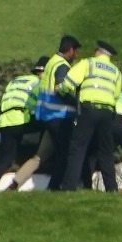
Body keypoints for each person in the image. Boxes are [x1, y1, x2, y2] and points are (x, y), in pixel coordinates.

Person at [60, 41, 122, 192]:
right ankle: (111, 189)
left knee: (78, 149)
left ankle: (69, 188)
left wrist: (60, 90)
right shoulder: (116, 71)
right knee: (106, 152)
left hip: (88, 110)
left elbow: (68, 83)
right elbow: (116, 95)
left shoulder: (88, 63)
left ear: (97, 52)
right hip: (107, 112)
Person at [0, 57, 43, 192]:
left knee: (6, 159)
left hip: (5, 121)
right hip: (20, 120)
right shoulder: (39, 83)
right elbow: (37, 107)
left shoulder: (16, 81)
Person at [36, 35, 81, 190]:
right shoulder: (62, 66)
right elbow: (62, 88)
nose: (76, 56)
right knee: (67, 153)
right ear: (70, 50)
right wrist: (77, 103)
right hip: (60, 116)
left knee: (61, 153)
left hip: (48, 114)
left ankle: (54, 187)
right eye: (76, 52)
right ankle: (57, 188)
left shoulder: (51, 62)